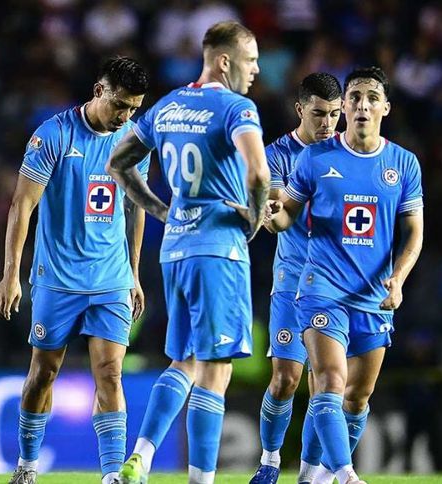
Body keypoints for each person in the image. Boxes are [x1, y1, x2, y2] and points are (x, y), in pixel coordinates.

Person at [106, 21, 269, 484]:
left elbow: (118, 162)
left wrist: (162, 210)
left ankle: (140, 457)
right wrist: (255, 217)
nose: (256, 70)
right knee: (216, 371)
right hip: (218, 250)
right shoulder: (237, 108)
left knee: (184, 362)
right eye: (250, 60)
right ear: (224, 60)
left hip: (176, 248)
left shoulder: (168, 105)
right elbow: (258, 173)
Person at [0, 56, 150, 484]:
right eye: (121, 105)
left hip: (111, 278)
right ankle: (27, 465)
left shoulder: (134, 142)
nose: (126, 115)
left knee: (110, 373)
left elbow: (135, 210)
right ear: (99, 91)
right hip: (58, 279)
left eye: (134, 108)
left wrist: (134, 273)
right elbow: (22, 204)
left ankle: (111, 475)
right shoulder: (54, 135)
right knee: (43, 373)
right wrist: (11, 274)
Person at [266, 66, 424, 484]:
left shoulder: (403, 164)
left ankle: (314, 479)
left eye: (372, 98)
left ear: (385, 108)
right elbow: (286, 216)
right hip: (321, 289)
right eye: (354, 97)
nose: (362, 105)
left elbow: (414, 233)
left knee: (357, 397)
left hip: (373, 296)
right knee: (329, 381)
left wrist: (398, 279)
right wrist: (271, 216)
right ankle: (347, 475)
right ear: (346, 106)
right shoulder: (315, 158)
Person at [249, 72, 342, 484]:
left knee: (324, 386)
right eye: (319, 114)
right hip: (292, 282)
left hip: (336, 286)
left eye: (335, 114)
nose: (328, 123)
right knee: (285, 380)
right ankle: (270, 460)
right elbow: (276, 213)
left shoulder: (348, 154)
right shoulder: (277, 155)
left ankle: (307, 475)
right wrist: (273, 214)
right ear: (300, 109)